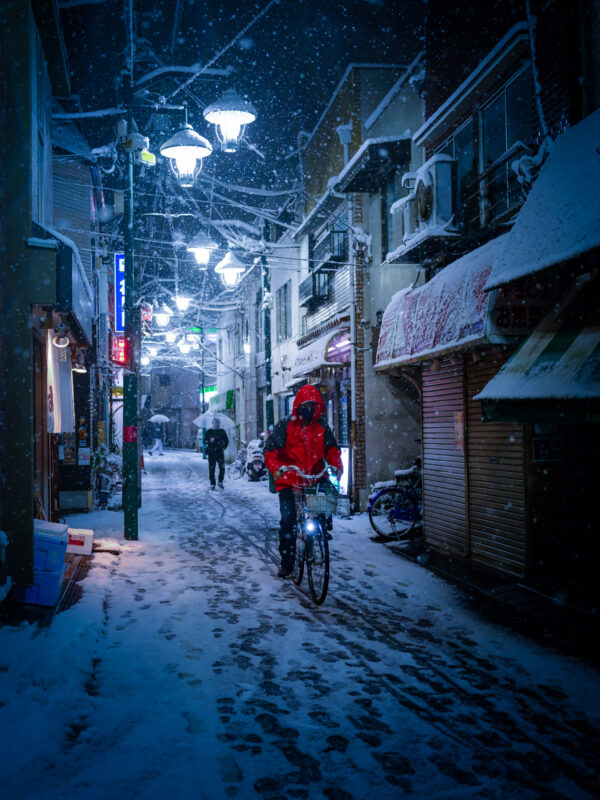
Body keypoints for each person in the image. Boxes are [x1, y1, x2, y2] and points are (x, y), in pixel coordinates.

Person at [264, 384, 343, 578]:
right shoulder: (285, 425)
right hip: (289, 480)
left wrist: (336, 465)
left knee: (324, 511)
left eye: (312, 405)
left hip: (315, 477)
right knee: (288, 521)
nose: (308, 409)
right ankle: (287, 563)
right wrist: (277, 469)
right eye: (305, 405)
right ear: (298, 405)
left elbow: (331, 449)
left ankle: (320, 534)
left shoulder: (322, 426)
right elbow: (270, 451)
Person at [206, 417, 229, 490]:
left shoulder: (222, 431)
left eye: (218, 423)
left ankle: (220, 481)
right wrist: (210, 441)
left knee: (222, 468)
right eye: (215, 423)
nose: (216, 424)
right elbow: (205, 441)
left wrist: (223, 447)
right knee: (211, 469)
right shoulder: (209, 431)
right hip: (211, 453)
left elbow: (226, 441)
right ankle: (212, 483)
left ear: (219, 423)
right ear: (212, 423)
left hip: (220, 453)